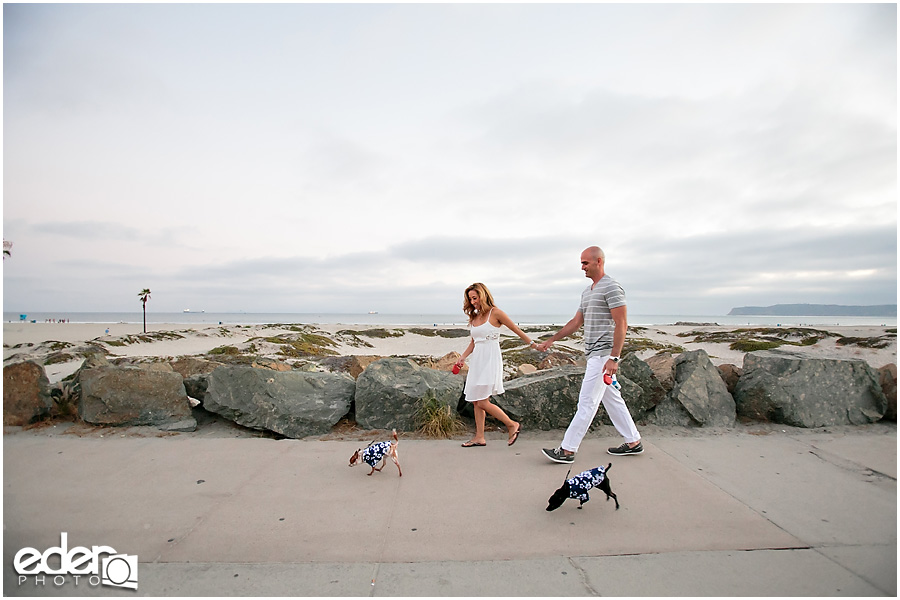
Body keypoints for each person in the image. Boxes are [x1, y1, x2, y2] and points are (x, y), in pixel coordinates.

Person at [537, 246, 642, 463]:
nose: (582, 267)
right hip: (594, 354)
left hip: (604, 355)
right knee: (612, 399)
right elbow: (576, 322)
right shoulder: (587, 291)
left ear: (599, 262)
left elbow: (621, 323)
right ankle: (633, 442)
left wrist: (614, 358)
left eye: (585, 263)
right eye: (581, 263)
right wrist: (551, 340)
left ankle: (567, 450)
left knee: (586, 401)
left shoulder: (612, 287)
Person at [455, 282, 535, 448]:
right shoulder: (475, 317)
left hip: (490, 360)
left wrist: (533, 344)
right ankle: (479, 437)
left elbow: (516, 329)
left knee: (483, 401)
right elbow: (474, 342)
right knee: (476, 400)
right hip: (477, 360)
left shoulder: (496, 313)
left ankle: (512, 424)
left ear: (483, 295)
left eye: (475, 298)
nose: (473, 302)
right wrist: (462, 357)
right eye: (470, 299)